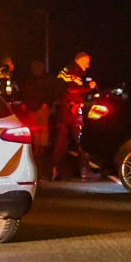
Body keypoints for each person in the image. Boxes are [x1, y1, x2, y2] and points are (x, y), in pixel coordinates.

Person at [51, 51, 96, 181]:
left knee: (61, 142)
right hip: (72, 111)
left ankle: (54, 170)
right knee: (81, 140)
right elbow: (72, 89)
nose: (87, 66)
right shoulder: (75, 71)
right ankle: (85, 171)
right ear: (80, 60)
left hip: (62, 110)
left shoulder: (65, 70)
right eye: (86, 63)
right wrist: (89, 87)